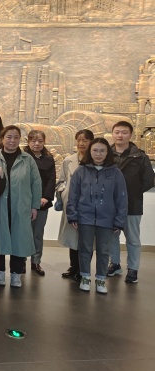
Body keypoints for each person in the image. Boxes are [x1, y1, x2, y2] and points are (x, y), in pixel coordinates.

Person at [67, 138, 128, 294]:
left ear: (107, 153)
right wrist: (72, 215)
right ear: (90, 152)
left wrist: (119, 221)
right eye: (95, 150)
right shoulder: (81, 171)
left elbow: (121, 198)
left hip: (107, 219)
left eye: (102, 151)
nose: (98, 154)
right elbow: (73, 195)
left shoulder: (116, 173)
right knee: (85, 249)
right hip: (85, 217)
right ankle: (85, 277)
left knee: (104, 250)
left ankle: (101, 279)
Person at [0, 125, 41, 288]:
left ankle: (16, 274)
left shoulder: (28, 160)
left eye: (16, 137)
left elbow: (36, 183)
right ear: (2, 139)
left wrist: (34, 206)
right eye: (8, 137)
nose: (12, 140)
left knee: (20, 240)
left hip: (20, 206)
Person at [107, 121, 154, 284]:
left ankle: (133, 269)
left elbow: (149, 180)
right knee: (111, 236)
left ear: (131, 135)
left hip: (132, 204)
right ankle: (114, 264)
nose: (120, 135)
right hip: (110, 204)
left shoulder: (140, 157)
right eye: (117, 132)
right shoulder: (106, 155)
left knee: (132, 238)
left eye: (124, 132)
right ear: (113, 134)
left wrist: (131, 193)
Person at [57, 129, 94, 281]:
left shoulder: (96, 160)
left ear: (91, 142)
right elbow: (61, 180)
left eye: (85, 140)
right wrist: (63, 192)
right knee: (73, 237)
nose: (81, 143)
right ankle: (74, 266)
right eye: (79, 140)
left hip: (89, 204)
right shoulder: (68, 160)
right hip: (71, 203)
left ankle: (83, 269)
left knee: (86, 238)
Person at [23, 130, 55, 276]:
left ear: (44, 142)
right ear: (28, 142)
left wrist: (46, 197)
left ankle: (36, 261)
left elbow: (51, 180)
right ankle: (21, 260)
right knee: (23, 232)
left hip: (42, 202)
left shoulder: (48, 159)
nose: (36, 144)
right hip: (24, 201)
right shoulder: (23, 157)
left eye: (40, 141)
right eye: (33, 141)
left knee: (37, 233)